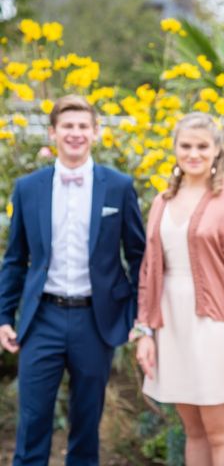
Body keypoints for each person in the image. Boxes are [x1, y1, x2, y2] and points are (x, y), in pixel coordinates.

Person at [0, 95, 146, 465]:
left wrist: (134, 316)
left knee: (86, 423)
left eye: (83, 126)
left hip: (95, 321)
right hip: (42, 319)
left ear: (95, 132)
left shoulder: (118, 186)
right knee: (32, 421)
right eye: (68, 126)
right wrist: (4, 316)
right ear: (53, 133)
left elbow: (138, 256)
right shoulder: (28, 187)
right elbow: (15, 259)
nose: (75, 133)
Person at [134, 112, 224, 465]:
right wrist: (144, 332)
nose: (193, 153)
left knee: (222, 433)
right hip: (171, 324)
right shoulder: (162, 201)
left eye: (202, 146)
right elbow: (148, 269)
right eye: (186, 145)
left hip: (218, 325)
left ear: (217, 151)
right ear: (175, 149)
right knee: (193, 431)